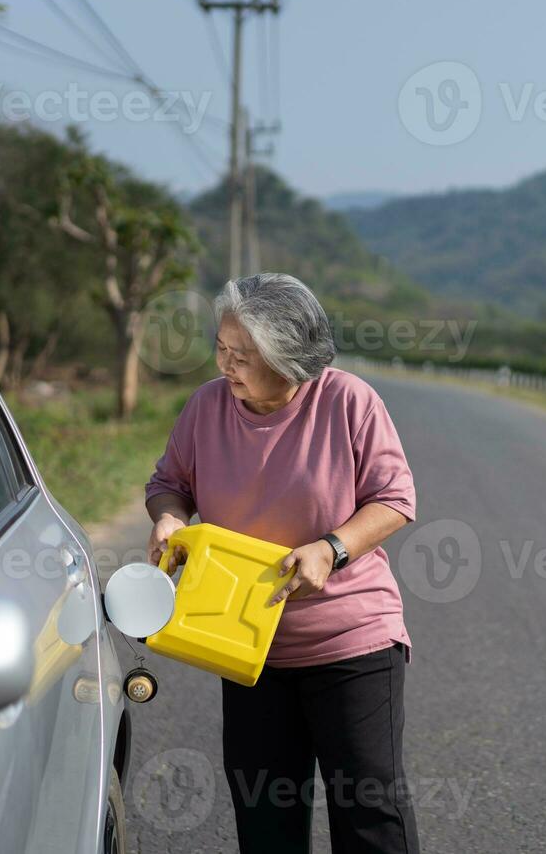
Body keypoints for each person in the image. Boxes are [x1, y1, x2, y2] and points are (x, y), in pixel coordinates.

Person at [145, 272, 420, 854]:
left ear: (289, 357)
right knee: (265, 817)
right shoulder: (206, 408)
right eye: (221, 348)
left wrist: (331, 548)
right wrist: (168, 518)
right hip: (245, 644)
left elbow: (395, 500)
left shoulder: (348, 401)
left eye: (242, 355)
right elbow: (169, 483)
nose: (225, 365)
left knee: (369, 809)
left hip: (352, 640)